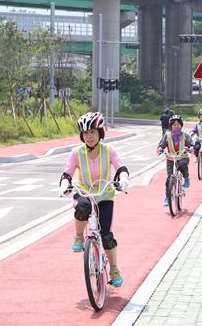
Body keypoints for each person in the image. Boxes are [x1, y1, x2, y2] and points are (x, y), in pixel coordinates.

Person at [58, 112, 130, 287]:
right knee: (82, 207)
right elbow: (67, 173)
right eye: (85, 133)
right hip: (84, 193)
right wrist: (64, 185)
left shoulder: (109, 150)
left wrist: (124, 180)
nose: (89, 136)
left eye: (92, 132)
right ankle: (78, 237)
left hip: (105, 195)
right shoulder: (77, 153)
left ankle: (113, 268)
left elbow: (121, 167)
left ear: (100, 133)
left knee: (106, 236)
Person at [156, 114, 192, 207]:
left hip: (182, 157)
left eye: (178, 124)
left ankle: (186, 178)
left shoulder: (185, 135)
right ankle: (167, 198)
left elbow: (190, 143)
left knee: (183, 166)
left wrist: (191, 147)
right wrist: (160, 149)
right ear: (171, 126)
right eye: (174, 124)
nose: (176, 126)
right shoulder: (167, 136)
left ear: (181, 125)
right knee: (169, 179)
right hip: (170, 158)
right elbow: (162, 144)